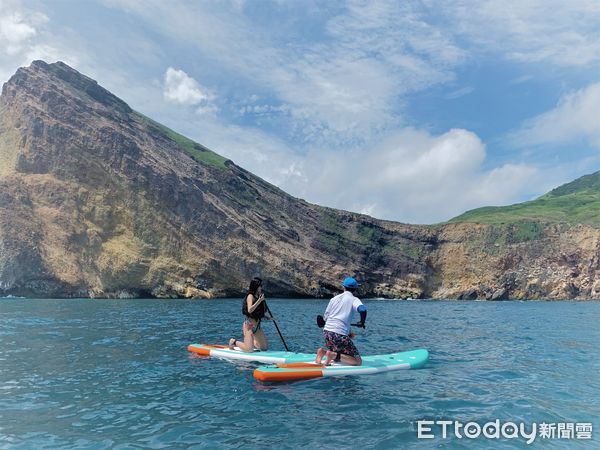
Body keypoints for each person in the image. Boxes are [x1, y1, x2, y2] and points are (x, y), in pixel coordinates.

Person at [315, 277, 367, 366]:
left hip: (327, 332)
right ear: (355, 289)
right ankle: (332, 355)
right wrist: (362, 322)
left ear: (343, 287)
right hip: (339, 334)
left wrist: (348, 333)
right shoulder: (354, 299)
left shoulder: (334, 299)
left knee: (340, 350)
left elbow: (326, 318)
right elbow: (363, 310)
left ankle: (322, 352)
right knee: (358, 362)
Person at [229, 277, 268, 352]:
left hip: (257, 326)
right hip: (249, 326)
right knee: (249, 350)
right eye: (260, 286)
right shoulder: (250, 296)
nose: (261, 287)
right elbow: (250, 310)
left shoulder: (258, 297)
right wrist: (260, 300)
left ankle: (251, 342)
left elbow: (257, 312)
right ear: (256, 286)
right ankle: (233, 342)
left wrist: (266, 317)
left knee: (264, 348)